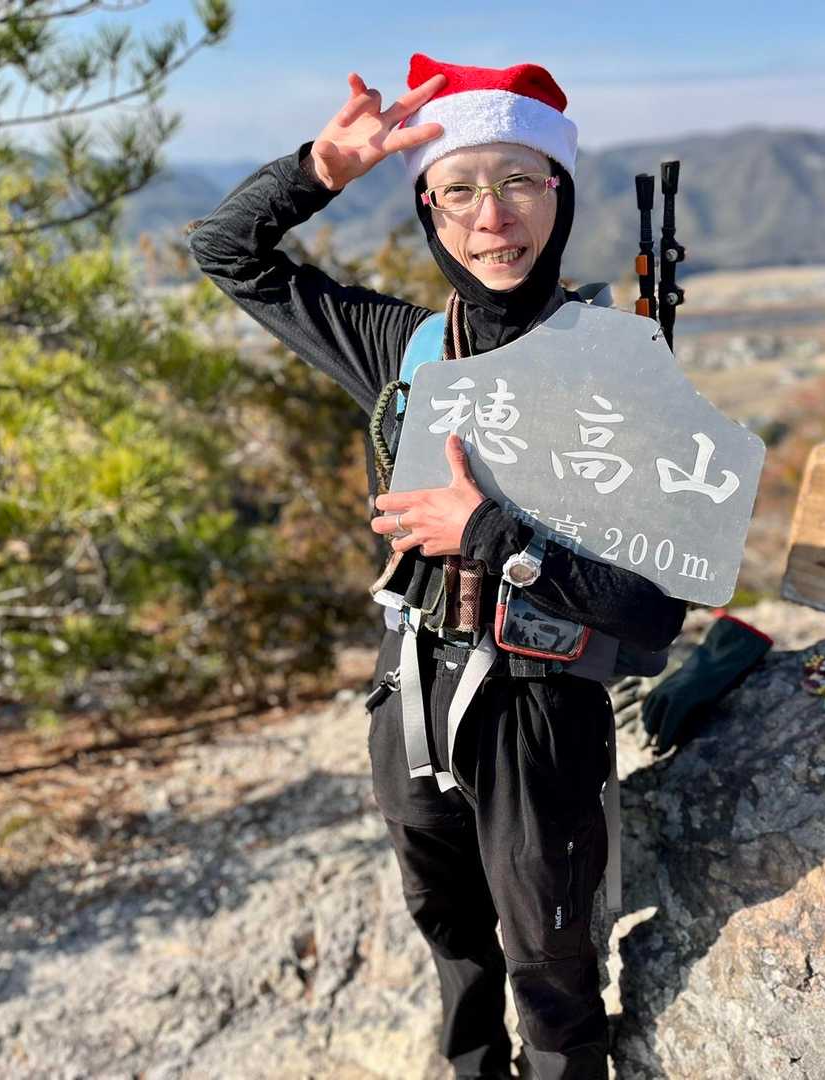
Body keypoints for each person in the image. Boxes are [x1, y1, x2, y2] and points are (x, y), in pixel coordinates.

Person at [186, 53, 686, 1080]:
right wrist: (320, 170)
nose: (491, 217)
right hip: (408, 683)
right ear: (427, 206)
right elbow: (225, 251)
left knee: (551, 971)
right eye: (458, 189)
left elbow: (653, 612)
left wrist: (493, 534)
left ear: (559, 194)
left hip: (542, 708)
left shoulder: (619, 371)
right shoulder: (402, 347)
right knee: (452, 941)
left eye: (518, 182)